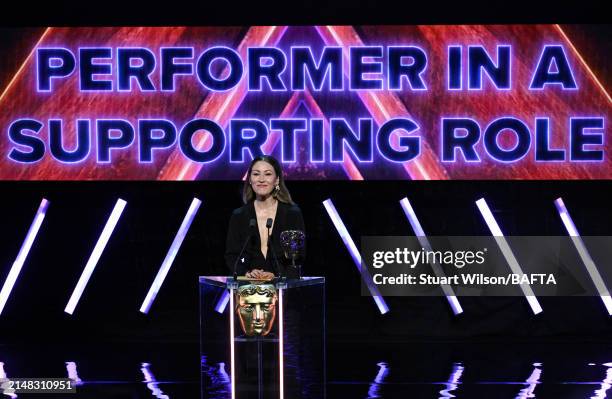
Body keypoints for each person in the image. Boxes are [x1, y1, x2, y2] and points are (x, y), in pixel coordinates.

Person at [225, 155, 305, 279]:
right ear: (250, 180)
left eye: (268, 174)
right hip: (246, 289)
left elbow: (298, 256)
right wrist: (247, 273)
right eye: (256, 174)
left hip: (282, 289)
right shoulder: (239, 215)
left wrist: (277, 275)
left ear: (277, 180)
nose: (261, 179)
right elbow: (232, 255)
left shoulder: (292, 213)